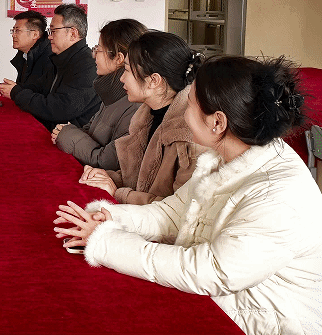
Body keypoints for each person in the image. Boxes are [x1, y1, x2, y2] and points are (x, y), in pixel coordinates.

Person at [54, 56, 322, 335]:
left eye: (190, 104)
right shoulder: (226, 154)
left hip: (266, 321)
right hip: (228, 304)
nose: (183, 114)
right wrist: (111, 218)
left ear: (217, 122)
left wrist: (106, 243)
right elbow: (172, 214)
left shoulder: (279, 197)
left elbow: (210, 272)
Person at [78, 31, 204, 205]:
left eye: (127, 70)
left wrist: (118, 193)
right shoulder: (146, 116)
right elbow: (141, 179)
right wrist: (108, 177)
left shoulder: (190, 136)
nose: (122, 78)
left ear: (154, 80)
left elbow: (178, 210)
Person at [51, 19, 147, 170]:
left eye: (98, 49)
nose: (94, 55)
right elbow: (90, 130)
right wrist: (68, 132)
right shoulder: (111, 92)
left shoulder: (134, 104)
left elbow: (107, 162)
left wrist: (66, 134)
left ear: (118, 58)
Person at [0, 4, 100, 131]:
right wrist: (14, 88)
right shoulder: (62, 58)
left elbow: (59, 108)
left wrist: (16, 93)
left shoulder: (87, 66)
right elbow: (40, 88)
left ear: (73, 34)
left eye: (53, 31)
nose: (49, 37)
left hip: (70, 136)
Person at [7, 10, 52, 86]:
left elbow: (43, 92)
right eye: (13, 31)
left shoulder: (50, 58)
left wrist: (15, 90)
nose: (13, 35)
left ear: (35, 35)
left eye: (17, 31)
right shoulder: (24, 56)